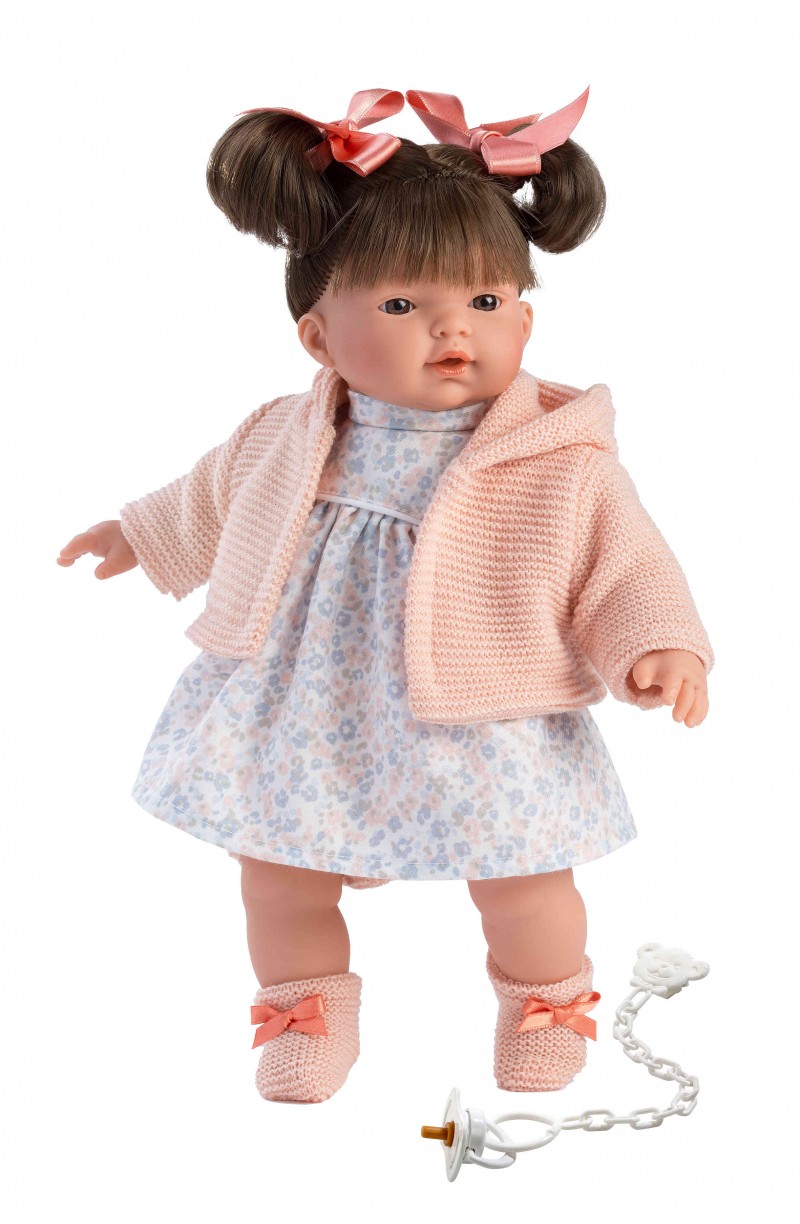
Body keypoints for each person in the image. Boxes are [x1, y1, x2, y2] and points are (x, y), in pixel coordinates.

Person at [56, 87, 713, 1104]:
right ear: (319, 339)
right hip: (307, 712)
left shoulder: (556, 459)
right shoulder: (288, 432)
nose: (452, 330)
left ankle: (544, 1001)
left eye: (484, 303)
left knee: (525, 878)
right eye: (402, 307)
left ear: (523, 316)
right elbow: (212, 493)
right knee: (278, 875)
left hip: (485, 715)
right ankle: (305, 1011)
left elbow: (624, 563)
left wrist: (657, 641)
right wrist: (141, 534)